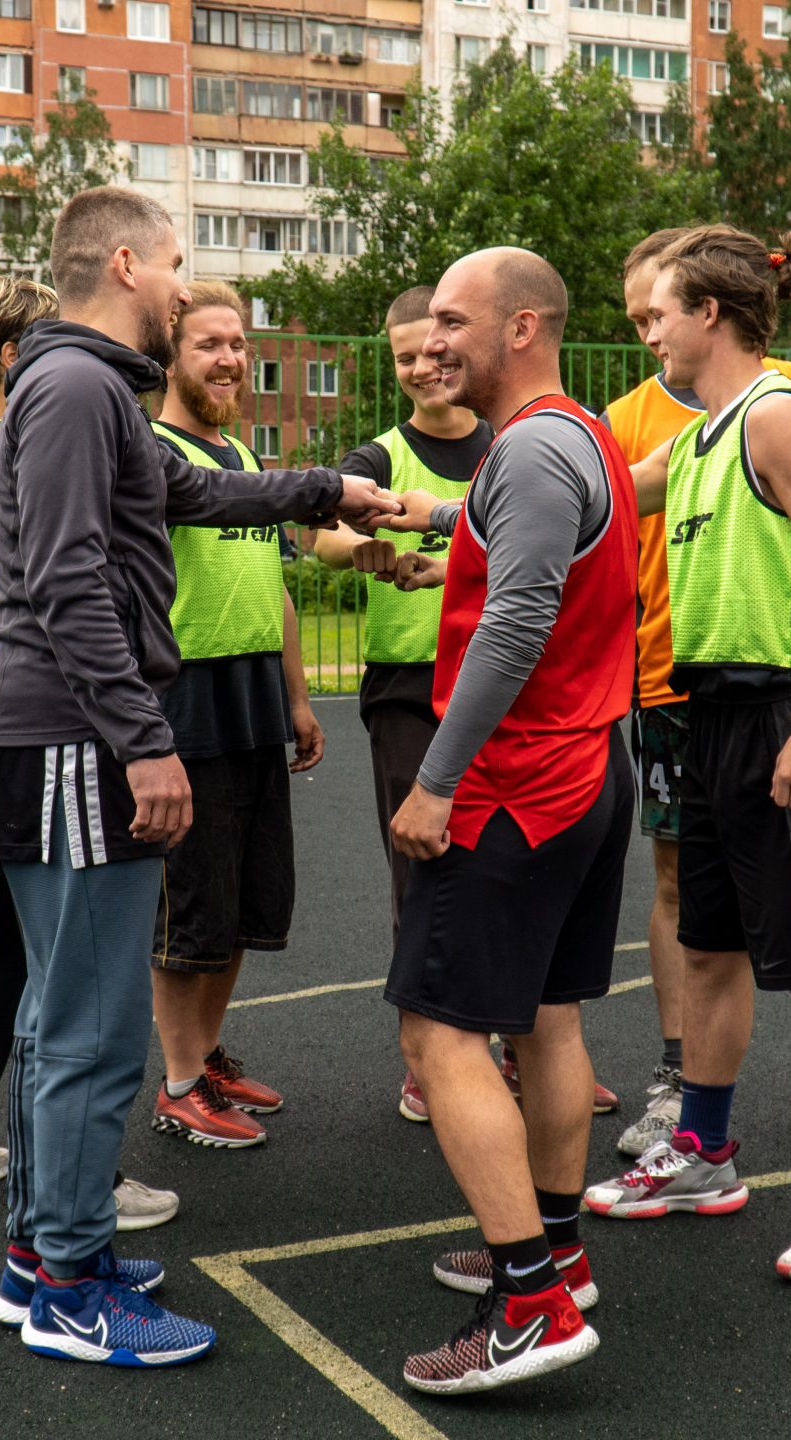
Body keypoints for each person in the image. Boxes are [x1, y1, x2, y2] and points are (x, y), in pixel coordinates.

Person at [0, 185, 394, 1367]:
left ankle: (48, 1258)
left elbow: (194, 494)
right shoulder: (76, 384)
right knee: (90, 1035)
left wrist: (323, 492)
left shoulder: (98, 393)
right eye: (182, 267)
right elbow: (61, 576)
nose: (190, 289)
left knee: (65, 1026)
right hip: (69, 744)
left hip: (64, 740)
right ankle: (66, 1289)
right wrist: (144, 739)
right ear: (129, 262)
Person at [581, 226, 791, 1287]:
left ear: (708, 314)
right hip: (708, 710)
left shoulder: (775, 416)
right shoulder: (701, 434)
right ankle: (705, 1156)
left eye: (656, 316)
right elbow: (592, 501)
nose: (649, 337)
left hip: (777, 716)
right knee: (714, 951)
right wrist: (442, 518)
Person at [370, 248, 636, 1395]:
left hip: (517, 781)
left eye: (452, 321)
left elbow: (519, 624)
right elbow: (538, 587)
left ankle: (528, 1303)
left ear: (522, 327)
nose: (433, 343)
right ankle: (558, 1253)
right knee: (546, 1020)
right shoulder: (577, 437)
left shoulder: (529, 450)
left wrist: (434, 779)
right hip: (583, 765)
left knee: (437, 1033)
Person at [0, 272, 183, 1228]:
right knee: (68, 994)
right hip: (49, 716)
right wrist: (141, 735)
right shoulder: (42, 420)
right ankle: (64, 1221)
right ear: (27, 355)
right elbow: (62, 575)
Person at [140, 279, 323, 1151]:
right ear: (172, 353)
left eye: (240, 343)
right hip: (188, 701)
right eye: (211, 343)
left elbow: (273, 587)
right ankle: (177, 1085)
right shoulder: (152, 450)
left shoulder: (245, 460)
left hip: (254, 699)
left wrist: (295, 695)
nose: (230, 359)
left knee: (250, 903)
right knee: (191, 912)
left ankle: (204, 1054)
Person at [311, 286, 490, 1125]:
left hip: (504, 688)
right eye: (404, 358)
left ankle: (519, 1045)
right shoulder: (378, 455)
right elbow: (322, 529)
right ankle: (428, 1057)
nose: (422, 368)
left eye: (433, 349)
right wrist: (363, 546)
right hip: (411, 692)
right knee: (423, 870)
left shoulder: (512, 444)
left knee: (511, 871)